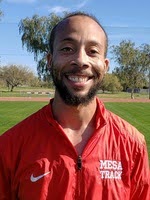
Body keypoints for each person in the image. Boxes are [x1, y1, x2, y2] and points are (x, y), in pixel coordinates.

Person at [0, 11, 149, 200]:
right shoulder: (10, 146)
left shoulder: (132, 143)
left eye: (92, 51)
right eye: (67, 48)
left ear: (105, 65)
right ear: (49, 60)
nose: (80, 60)